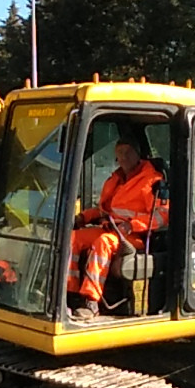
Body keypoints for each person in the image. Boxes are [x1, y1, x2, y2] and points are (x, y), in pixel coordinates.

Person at [66, 137, 167, 320]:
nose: (123, 157)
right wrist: (83, 217)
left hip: (134, 236)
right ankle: (70, 293)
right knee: (72, 238)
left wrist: (132, 225)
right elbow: (104, 210)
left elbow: (162, 216)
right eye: (120, 153)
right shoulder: (116, 179)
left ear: (138, 155)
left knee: (102, 242)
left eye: (127, 153)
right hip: (111, 229)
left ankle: (91, 301)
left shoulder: (151, 181)